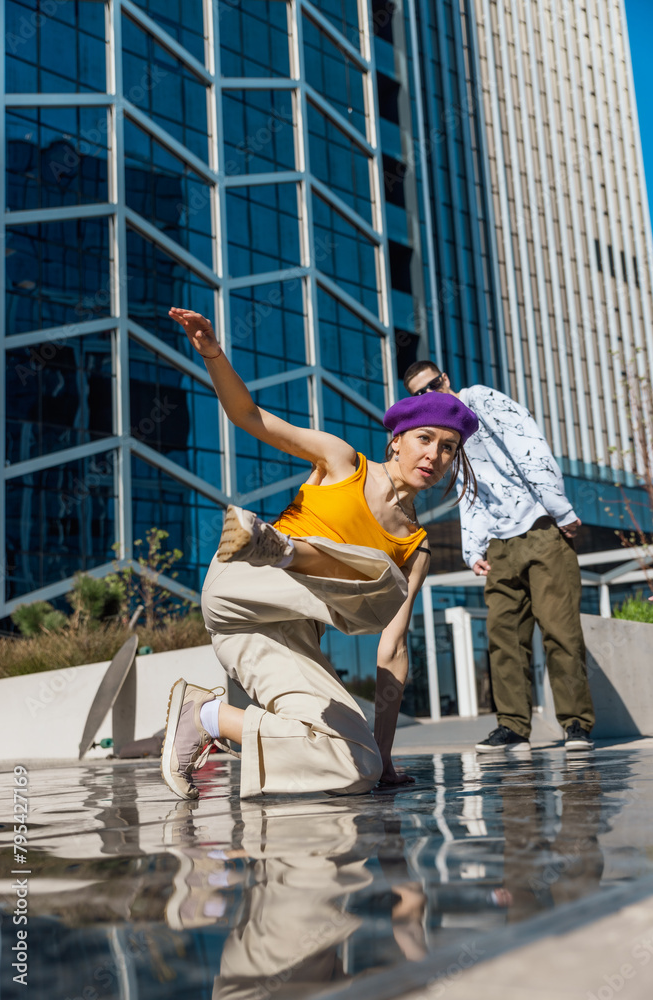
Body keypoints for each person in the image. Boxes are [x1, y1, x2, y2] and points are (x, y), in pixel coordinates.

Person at [160, 309, 479, 800]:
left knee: (356, 763)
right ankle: (280, 548)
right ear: (397, 441)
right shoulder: (340, 461)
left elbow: (391, 651)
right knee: (386, 580)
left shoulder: (415, 548)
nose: (434, 456)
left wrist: (387, 754)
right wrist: (212, 353)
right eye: (425, 439)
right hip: (245, 584)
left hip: (279, 637)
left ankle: (205, 716)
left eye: (448, 448)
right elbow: (251, 417)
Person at [403, 361, 595, 753]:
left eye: (433, 386)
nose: (430, 396)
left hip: (541, 529)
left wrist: (560, 509)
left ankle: (576, 725)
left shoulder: (482, 400)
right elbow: (469, 494)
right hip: (499, 545)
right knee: (502, 636)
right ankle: (513, 728)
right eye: (419, 395)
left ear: (446, 380)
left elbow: (529, 446)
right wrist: (472, 548)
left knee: (559, 630)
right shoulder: (447, 438)